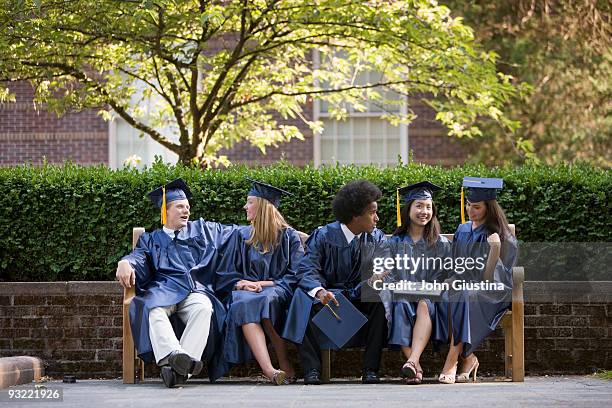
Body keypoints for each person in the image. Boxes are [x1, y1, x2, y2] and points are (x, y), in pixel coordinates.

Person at [116, 178, 238, 387]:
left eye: (188, 207)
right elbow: (138, 257)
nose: (186, 211)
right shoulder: (151, 239)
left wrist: (276, 229)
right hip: (163, 290)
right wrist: (124, 262)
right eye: (180, 206)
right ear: (166, 210)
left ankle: (175, 368)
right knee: (152, 309)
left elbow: (237, 232)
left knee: (204, 308)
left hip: (194, 289)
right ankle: (179, 361)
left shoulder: (202, 231)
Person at [282, 180, 388, 385]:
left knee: (378, 298)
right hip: (329, 298)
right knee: (302, 298)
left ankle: (370, 369)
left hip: (359, 296)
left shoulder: (377, 238)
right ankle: (312, 369)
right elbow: (307, 269)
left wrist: (375, 279)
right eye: (372, 212)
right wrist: (320, 292)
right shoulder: (323, 235)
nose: (377, 218)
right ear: (355, 215)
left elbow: (383, 268)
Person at [215, 180, 304, 385]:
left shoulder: (289, 237)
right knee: (245, 301)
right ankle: (271, 370)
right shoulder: (241, 236)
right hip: (246, 290)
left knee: (264, 300)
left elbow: (296, 274)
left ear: (263, 206)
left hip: (277, 288)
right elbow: (226, 271)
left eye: (250, 202)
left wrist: (263, 284)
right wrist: (242, 284)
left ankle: (283, 361)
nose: (245, 207)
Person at [435, 177, 518, 384]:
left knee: (463, 296)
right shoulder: (463, 230)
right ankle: (469, 358)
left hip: (490, 292)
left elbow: (492, 279)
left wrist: (495, 250)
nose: (471, 211)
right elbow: (455, 265)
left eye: (477, 207)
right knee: (438, 299)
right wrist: (453, 278)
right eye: (468, 205)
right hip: (464, 289)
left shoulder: (503, 236)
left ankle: (452, 360)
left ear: (489, 208)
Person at [387, 181, 451, 384]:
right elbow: (388, 273)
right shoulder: (394, 243)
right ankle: (416, 366)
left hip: (430, 299)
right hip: (402, 296)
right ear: (408, 209)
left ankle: (413, 362)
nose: (424, 211)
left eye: (428, 207)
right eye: (419, 206)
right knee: (399, 305)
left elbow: (445, 275)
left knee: (423, 304)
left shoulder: (440, 243)